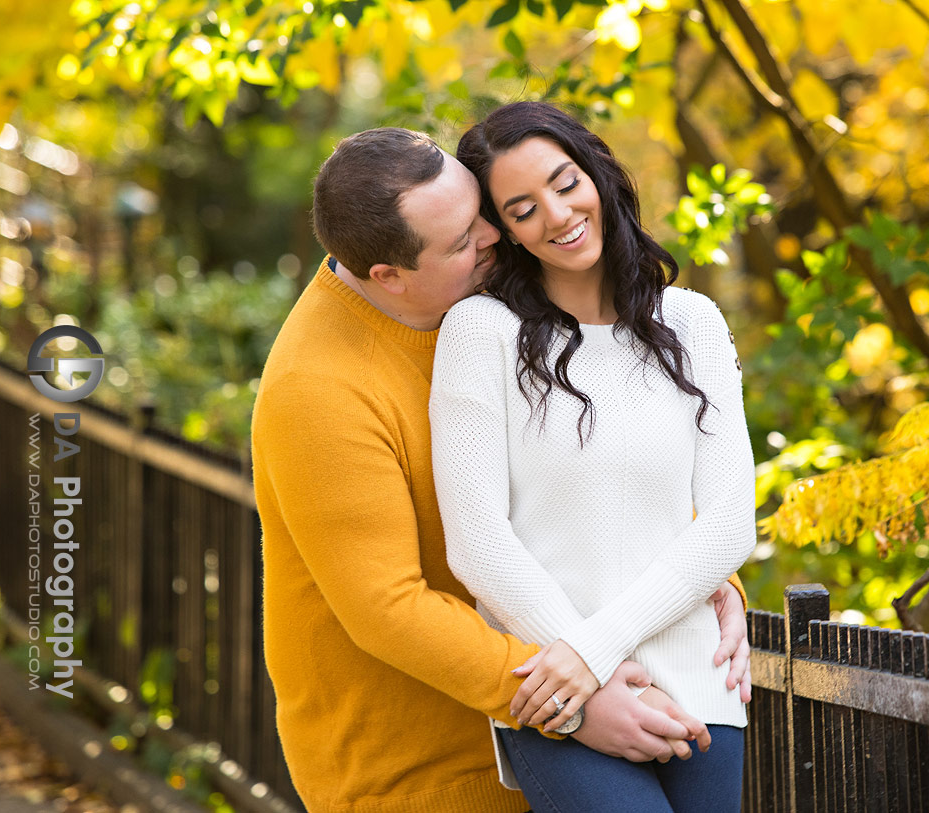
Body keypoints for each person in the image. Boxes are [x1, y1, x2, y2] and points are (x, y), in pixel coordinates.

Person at [251, 126, 754, 813]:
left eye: (482, 212)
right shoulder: (317, 389)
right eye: (463, 241)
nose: (495, 235)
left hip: (544, 720)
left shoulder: (475, 314)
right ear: (388, 275)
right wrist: (577, 696)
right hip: (422, 776)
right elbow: (388, 609)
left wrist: (699, 579)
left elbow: (581, 473)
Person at [430, 102, 757, 812]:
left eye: (564, 181)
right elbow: (478, 541)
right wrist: (583, 666)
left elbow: (729, 523)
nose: (555, 213)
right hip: (558, 692)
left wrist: (600, 645)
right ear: (505, 231)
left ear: (599, 174)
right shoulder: (481, 332)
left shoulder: (692, 322)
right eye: (522, 208)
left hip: (699, 684)